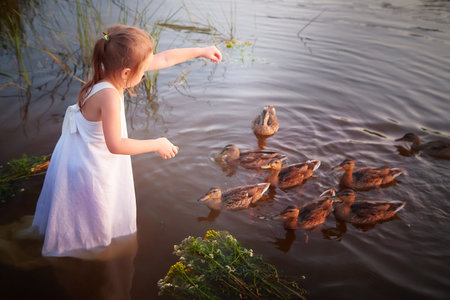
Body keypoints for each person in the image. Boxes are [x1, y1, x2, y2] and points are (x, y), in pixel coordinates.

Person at [30, 24, 222, 257]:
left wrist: (202, 50)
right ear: (126, 73)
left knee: (74, 214)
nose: (144, 75)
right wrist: (156, 143)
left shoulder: (104, 73)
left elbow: (164, 58)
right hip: (90, 168)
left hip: (80, 156)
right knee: (92, 219)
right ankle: (83, 253)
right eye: (142, 72)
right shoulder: (110, 96)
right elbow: (116, 144)